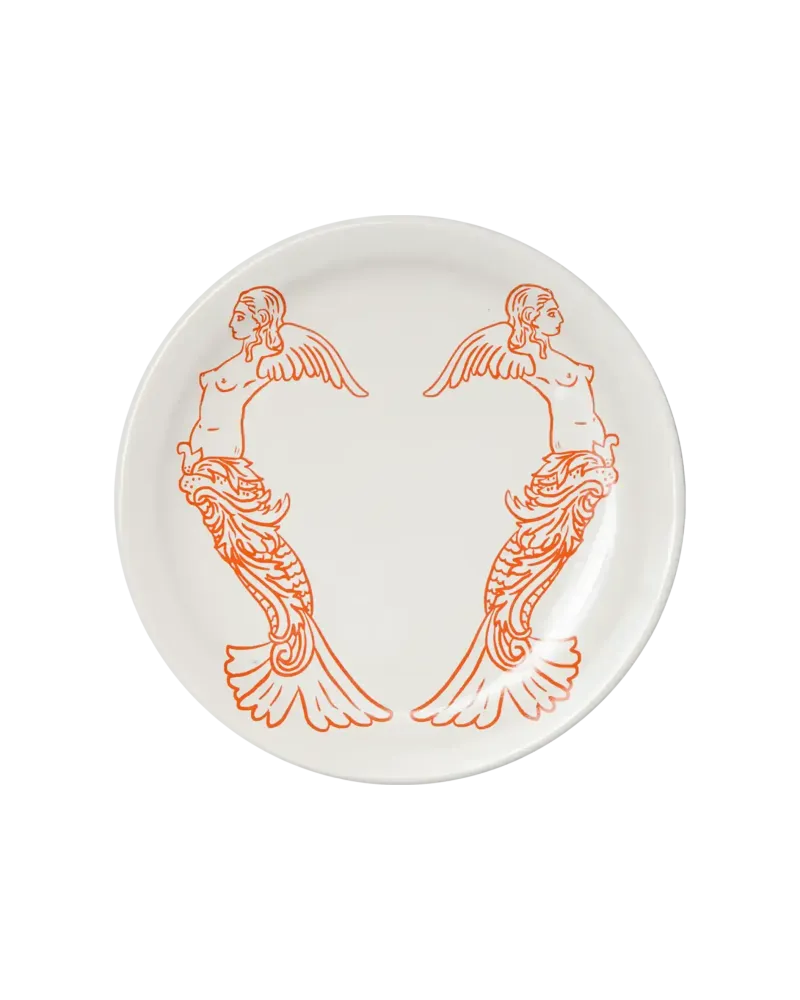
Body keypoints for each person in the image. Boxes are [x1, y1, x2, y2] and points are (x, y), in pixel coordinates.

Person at [177, 287, 391, 732]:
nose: (232, 321)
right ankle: (285, 638)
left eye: (242, 315)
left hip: (225, 476)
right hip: (205, 472)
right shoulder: (232, 355)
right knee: (238, 555)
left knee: (253, 555)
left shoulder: (261, 360)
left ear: (261, 321)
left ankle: (292, 642)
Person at [413, 284, 619, 730]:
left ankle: (517, 637)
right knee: (541, 551)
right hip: (568, 471)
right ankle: (508, 638)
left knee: (560, 552)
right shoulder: (530, 359)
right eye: (547, 310)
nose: (557, 315)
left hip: (589, 468)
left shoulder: (562, 353)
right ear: (527, 318)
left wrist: (603, 453)